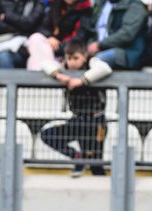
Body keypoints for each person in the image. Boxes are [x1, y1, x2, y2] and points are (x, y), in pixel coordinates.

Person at [40, 40, 112, 177]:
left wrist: (82, 80)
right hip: (78, 121)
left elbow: (105, 69)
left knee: (96, 164)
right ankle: (78, 157)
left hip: (96, 122)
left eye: (76, 58)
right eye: (69, 58)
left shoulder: (92, 63)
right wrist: (58, 75)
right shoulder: (64, 67)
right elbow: (45, 64)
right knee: (47, 135)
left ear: (85, 56)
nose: (71, 62)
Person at [26, 0, 92, 71]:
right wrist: (50, 38)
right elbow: (43, 27)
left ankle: (46, 71)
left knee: (37, 55)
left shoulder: (85, 9)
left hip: (70, 49)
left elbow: (80, 36)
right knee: (35, 38)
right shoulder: (55, 6)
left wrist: (59, 46)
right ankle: (48, 69)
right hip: (50, 47)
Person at [86, 0, 148, 70]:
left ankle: (83, 82)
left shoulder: (135, 5)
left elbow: (127, 34)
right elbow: (90, 29)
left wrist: (100, 45)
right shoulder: (99, 3)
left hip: (126, 52)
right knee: (73, 57)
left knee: (98, 60)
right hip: (98, 47)